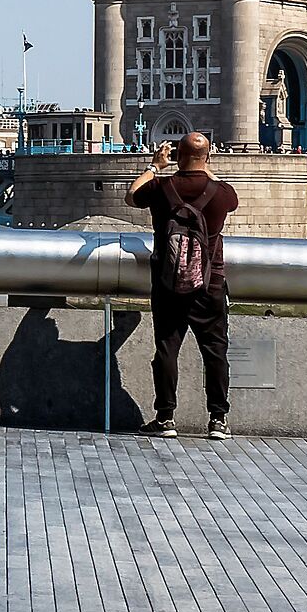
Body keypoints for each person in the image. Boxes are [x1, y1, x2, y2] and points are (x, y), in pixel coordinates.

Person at [126, 131, 240, 439]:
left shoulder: (162, 188)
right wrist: (205, 166)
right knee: (215, 351)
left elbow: (131, 194)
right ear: (209, 157)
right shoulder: (220, 194)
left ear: (177, 156)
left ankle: (165, 419)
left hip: (167, 283)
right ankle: (218, 419)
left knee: (166, 349)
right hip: (210, 283)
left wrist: (155, 166)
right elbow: (230, 196)